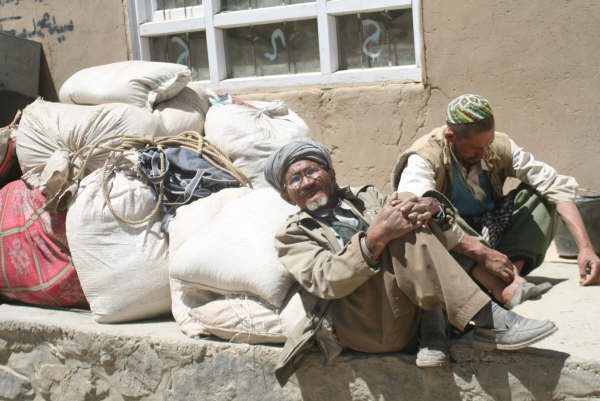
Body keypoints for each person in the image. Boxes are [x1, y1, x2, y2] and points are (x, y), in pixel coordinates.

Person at [264, 141, 557, 386]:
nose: (306, 182)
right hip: (363, 326)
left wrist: (434, 209)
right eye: (295, 179)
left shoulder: (366, 197)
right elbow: (326, 280)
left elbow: (413, 221)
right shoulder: (291, 235)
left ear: (331, 173)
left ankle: (435, 328)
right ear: (287, 196)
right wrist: (376, 237)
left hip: (403, 313)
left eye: (311, 171)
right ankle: (487, 320)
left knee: (407, 204)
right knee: (395, 225)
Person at [392, 94, 600, 308]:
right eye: (475, 149)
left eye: (488, 144)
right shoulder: (425, 156)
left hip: (492, 231)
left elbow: (553, 184)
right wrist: (483, 254)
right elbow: (412, 206)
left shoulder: (497, 145)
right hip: (456, 244)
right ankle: (496, 286)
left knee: (541, 197)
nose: (483, 154)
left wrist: (585, 248)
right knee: (431, 211)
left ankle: (512, 276)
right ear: (451, 137)